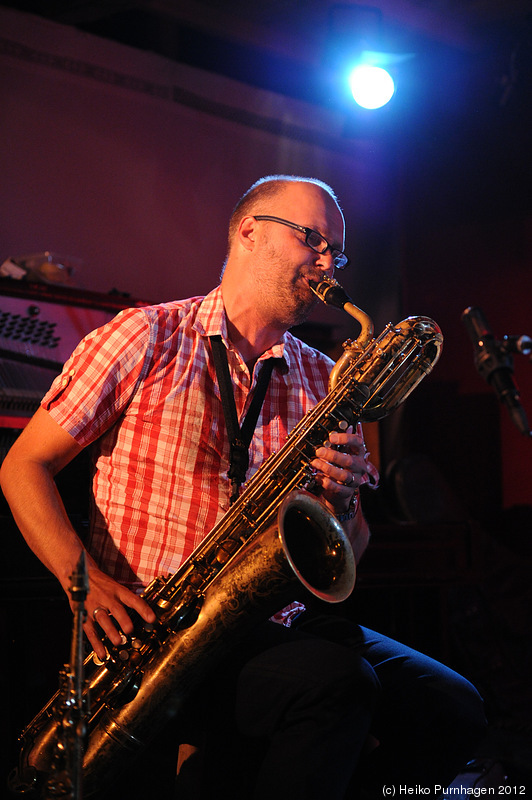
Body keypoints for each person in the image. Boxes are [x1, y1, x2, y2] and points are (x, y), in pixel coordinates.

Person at [1, 175, 486, 799]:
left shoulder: (329, 379)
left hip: (274, 623)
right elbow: (23, 467)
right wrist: (86, 582)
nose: (327, 264)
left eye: (335, 252)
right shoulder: (145, 336)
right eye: (312, 239)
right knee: (335, 684)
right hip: (157, 634)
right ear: (248, 231)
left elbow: (347, 554)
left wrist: (340, 506)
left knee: (453, 707)